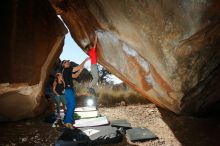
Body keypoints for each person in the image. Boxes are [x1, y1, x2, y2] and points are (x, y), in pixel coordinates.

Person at [62, 58, 89, 129]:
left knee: (69, 105)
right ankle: (67, 122)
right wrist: (85, 60)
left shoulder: (66, 71)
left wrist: (80, 70)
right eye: (66, 62)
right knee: (73, 104)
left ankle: (68, 121)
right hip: (68, 90)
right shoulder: (67, 69)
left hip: (67, 90)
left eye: (68, 61)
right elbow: (79, 67)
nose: (68, 62)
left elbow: (75, 76)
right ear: (63, 64)